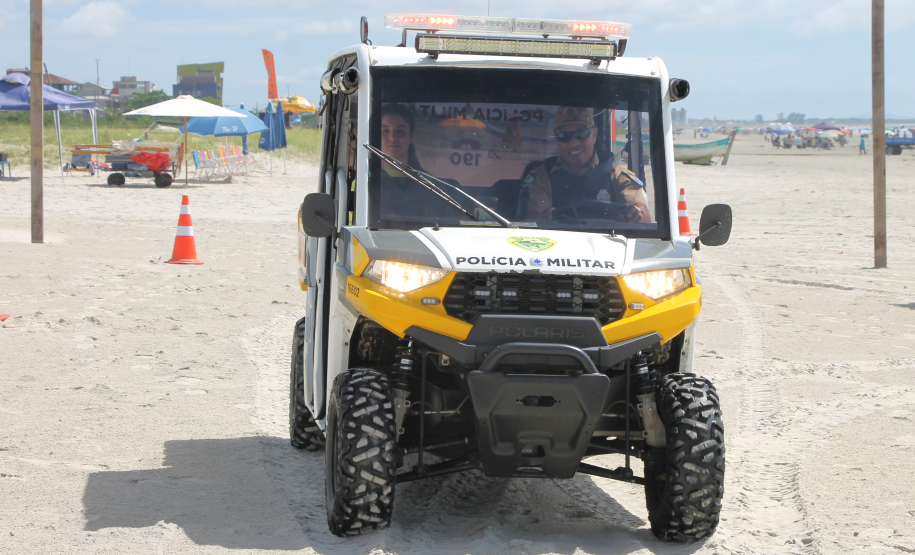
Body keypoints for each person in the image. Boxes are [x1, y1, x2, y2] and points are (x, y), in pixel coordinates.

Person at [521, 107, 650, 222]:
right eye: (564, 136)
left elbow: (643, 216)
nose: (573, 142)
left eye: (581, 134)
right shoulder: (541, 177)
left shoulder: (617, 176)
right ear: (556, 140)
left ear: (594, 135)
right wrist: (543, 217)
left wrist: (635, 214)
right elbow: (532, 221)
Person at [377, 103, 447, 221]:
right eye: (385, 131)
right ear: (375, 136)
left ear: (412, 137)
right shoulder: (364, 181)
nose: (392, 137)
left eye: (400, 131)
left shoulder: (429, 182)